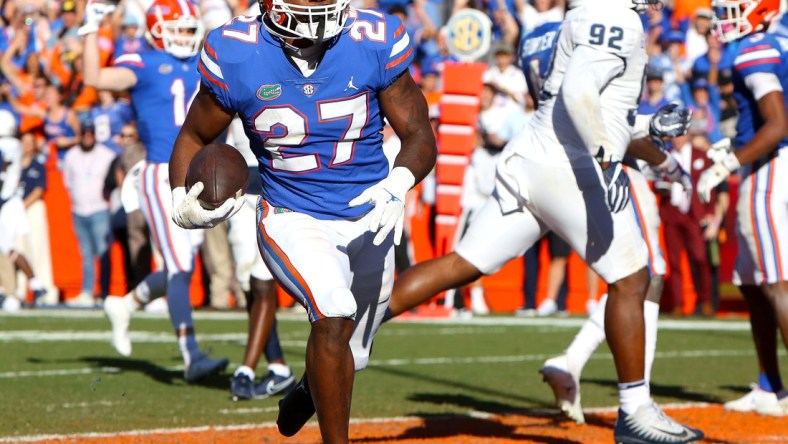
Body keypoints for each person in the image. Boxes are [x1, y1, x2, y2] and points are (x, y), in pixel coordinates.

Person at [387, 0, 704, 442]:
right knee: (633, 280)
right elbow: (579, 96)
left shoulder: (568, 23)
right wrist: (608, 157)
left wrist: (650, 135)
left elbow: (585, 102)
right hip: (570, 166)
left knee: (460, 264)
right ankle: (635, 410)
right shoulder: (614, 17)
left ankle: (346, 332)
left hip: (530, 154)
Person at [168, 1, 436, 441]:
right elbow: (195, 135)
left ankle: (308, 391)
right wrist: (182, 196)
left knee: (352, 350)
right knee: (332, 313)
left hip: (369, 210)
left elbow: (419, 132)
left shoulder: (372, 38)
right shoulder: (237, 52)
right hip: (292, 212)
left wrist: (399, 181)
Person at [81, 0, 230, 382]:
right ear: (157, 29)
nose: (185, 35)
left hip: (196, 175)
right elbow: (95, 78)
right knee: (179, 267)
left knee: (180, 266)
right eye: (177, 28)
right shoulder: (143, 63)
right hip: (159, 174)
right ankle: (191, 354)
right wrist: (90, 30)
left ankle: (126, 303)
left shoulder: (204, 63)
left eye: (188, 28)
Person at [697, 0, 788, 416]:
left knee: (775, 282)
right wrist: (736, 146)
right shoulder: (774, 42)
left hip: (771, 168)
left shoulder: (754, 51)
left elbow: (777, 124)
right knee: (752, 280)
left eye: (735, 8)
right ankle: (770, 387)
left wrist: (729, 164)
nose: (725, 17)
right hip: (766, 162)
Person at [224, 116, 295, 401]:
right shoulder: (226, 79)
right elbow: (208, 132)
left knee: (261, 279)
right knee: (247, 283)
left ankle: (246, 370)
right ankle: (278, 367)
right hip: (240, 194)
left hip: (280, 191)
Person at [62, 119, 116, 306]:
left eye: (90, 133)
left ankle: (104, 292)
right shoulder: (71, 156)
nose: (87, 136)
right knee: (85, 254)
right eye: (84, 133)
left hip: (99, 208)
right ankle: (87, 291)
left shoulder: (107, 155)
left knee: (102, 252)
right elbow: (68, 182)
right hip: (78, 210)